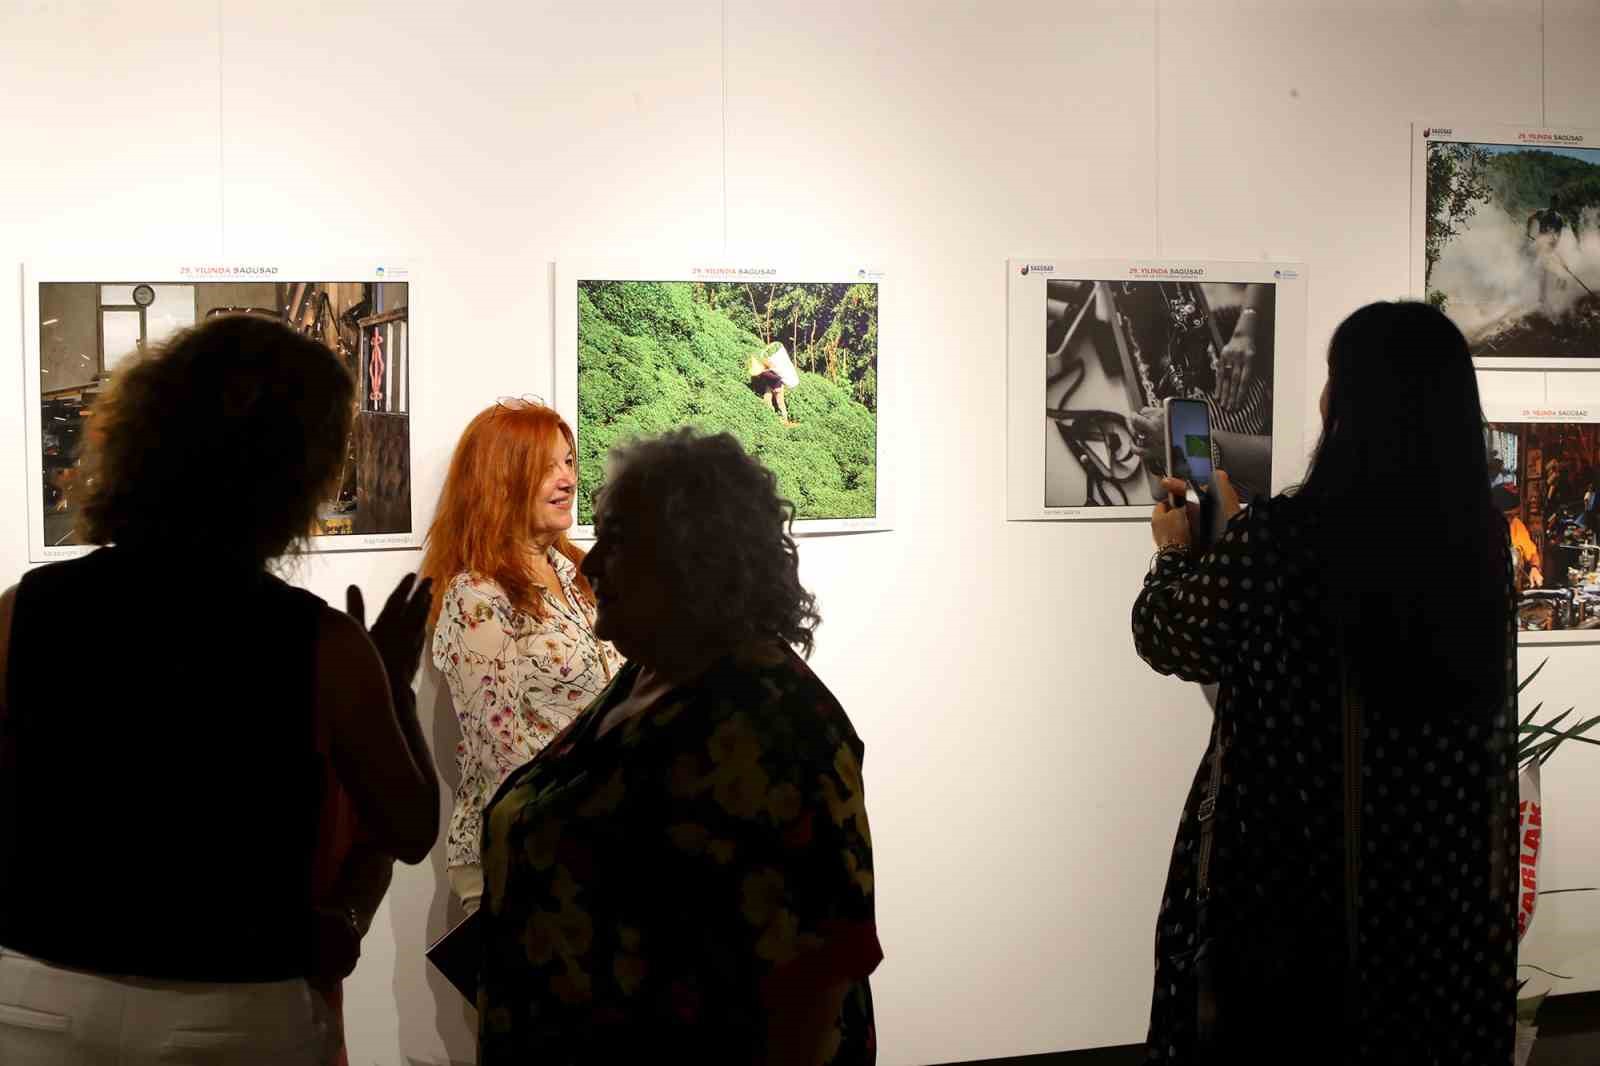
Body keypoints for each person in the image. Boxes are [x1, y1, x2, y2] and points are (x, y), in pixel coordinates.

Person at [0, 314, 440, 1065]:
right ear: (298, 471)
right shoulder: (321, 642)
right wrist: (393, 688)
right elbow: (410, 825)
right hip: (236, 1006)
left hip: (38, 994)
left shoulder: (24, 610)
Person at [1132, 301, 1518, 1064]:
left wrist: (1178, 550)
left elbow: (1170, 635)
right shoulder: (1478, 549)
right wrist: (1245, 528)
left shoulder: (1283, 540)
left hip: (1295, 906)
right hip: (1429, 915)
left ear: (1348, 405)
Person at [477, 430, 881, 1065]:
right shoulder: (646, 675)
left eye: (620, 541)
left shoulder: (778, 723)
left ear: (689, 559)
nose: (592, 562)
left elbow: (813, 995)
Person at [420, 398, 620, 915]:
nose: (568, 479)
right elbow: (503, 748)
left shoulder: (581, 575)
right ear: (500, 481)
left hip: (603, 847)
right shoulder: (477, 596)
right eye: (546, 467)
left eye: (569, 461)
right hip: (523, 856)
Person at [1495, 484, 1543, 589]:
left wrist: (1534, 568)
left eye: (1514, 515)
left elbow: (1531, 552)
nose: (1510, 520)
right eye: (1507, 516)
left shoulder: (1516, 524)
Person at [1527, 194, 1568, 311]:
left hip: (1551, 247)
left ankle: (1557, 293)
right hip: (1541, 245)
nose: (1555, 205)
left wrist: (1555, 245)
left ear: (1558, 204)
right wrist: (1528, 232)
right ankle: (1542, 298)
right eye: (1553, 202)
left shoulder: (1559, 218)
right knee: (1544, 270)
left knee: (1561, 269)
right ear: (1551, 202)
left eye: (1557, 203)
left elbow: (1559, 235)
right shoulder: (1542, 212)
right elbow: (1530, 218)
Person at [748, 342, 798, 424]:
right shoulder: (765, 371)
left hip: (777, 387)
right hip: (770, 386)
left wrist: (776, 388)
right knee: (767, 400)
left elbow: (777, 378)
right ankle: (771, 416)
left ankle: (785, 419)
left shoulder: (766, 372)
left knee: (780, 403)